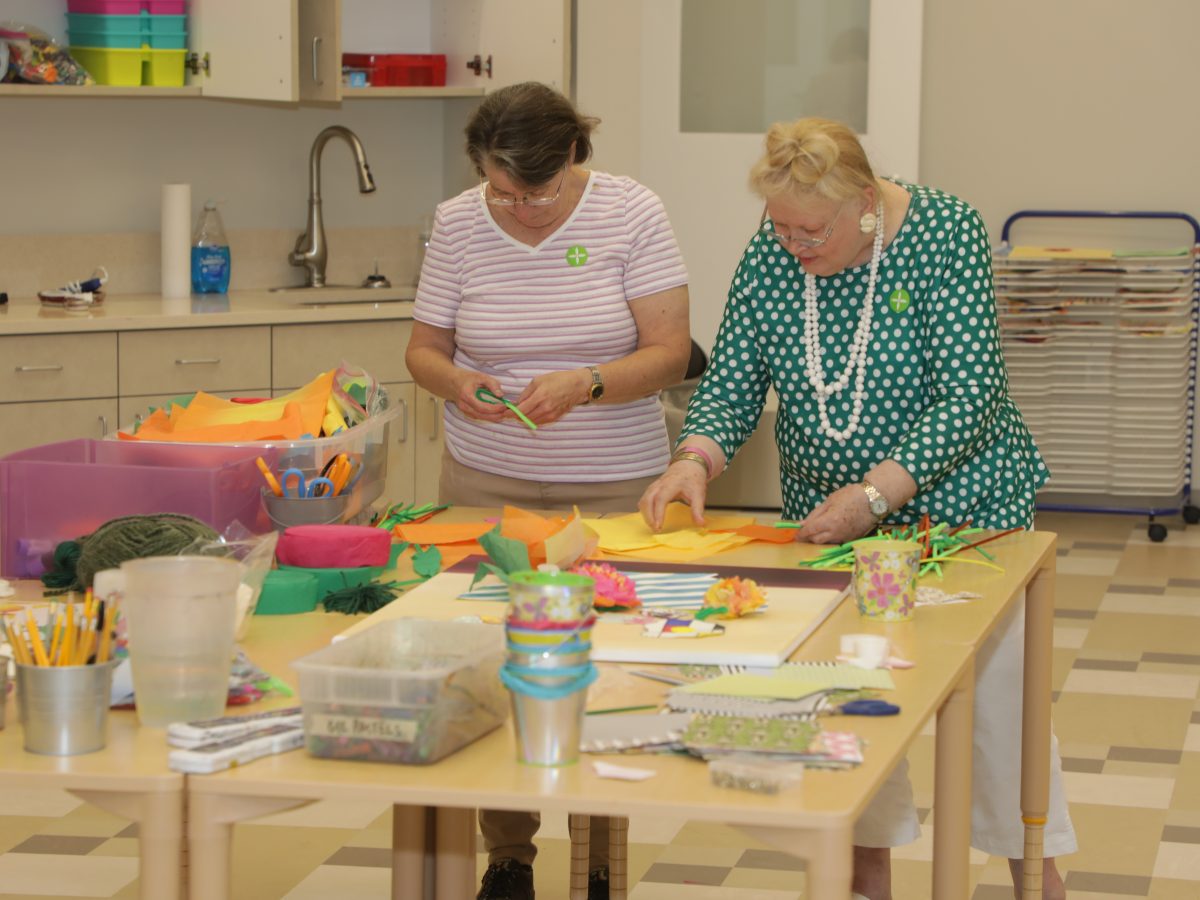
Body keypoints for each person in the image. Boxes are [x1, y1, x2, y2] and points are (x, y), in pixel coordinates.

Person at [638, 117, 1076, 900]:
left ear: (866, 203)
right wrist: (693, 458)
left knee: (998, 719)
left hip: (968, 513)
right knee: (850, 717)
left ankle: (1036, 884)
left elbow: (971, 395)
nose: (793, 245)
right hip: (833, 529)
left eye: (810, 229)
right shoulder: (776, 254)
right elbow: (734, 375)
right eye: (778, 225)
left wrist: (877, 495)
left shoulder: (945, 231)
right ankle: (865, 885)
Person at [405, 81, 691, 900]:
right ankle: (507, 856)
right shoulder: (459, 222)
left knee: (604, 669)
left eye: (539, 190)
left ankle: (598, 860)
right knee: (495, 662)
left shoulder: (632, 211)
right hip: (486, 485)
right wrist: (456, 383)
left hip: (612, 489)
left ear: (573, 154)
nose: (521, 208)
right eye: (503, 190)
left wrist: (589, 383)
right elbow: (423, 349)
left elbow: (670, 352)